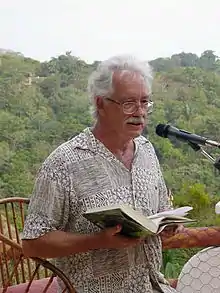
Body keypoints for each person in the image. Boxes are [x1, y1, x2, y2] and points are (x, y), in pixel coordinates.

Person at [22, 54, 180, 293]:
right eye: (128, 103)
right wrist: (97, 241)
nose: (140, 112)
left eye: (145, 102)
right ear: (100, 103)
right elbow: (32, 244)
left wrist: (166, 224)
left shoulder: (147, 151)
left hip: (152, 286)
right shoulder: (64, 163)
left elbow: (158, 213)